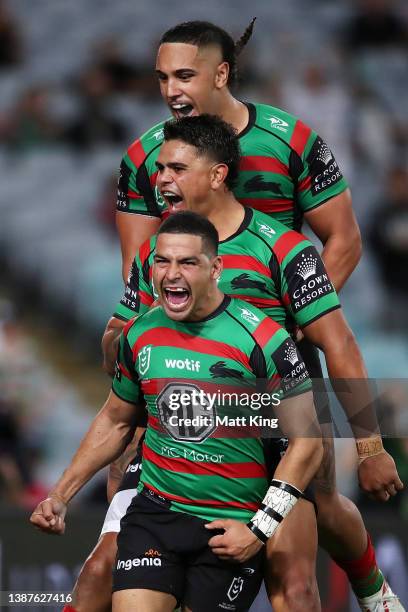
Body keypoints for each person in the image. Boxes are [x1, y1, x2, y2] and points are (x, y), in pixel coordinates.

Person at [103, 114, 402, 612]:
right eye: (159, 169)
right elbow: (124, 349)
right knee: (100, 569)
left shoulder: (283, 248)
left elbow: (341, 344)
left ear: (217, 173)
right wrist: (120, 337)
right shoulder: (160, 252)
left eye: (175, 167)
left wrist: (370, 448)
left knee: (301, 569)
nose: (161, 180)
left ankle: (374, 590)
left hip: (274, 414)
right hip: (185, 424)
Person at [30, 211, 324, 612]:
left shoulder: (265, 341)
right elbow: (116, 420)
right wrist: (61, 495)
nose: (172, 274)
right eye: (163, 261)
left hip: (228, 528)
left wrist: (260, 529)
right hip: (156, 514)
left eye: (187, 262)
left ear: (216, 267)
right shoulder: (139, 333)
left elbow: (309, 443)